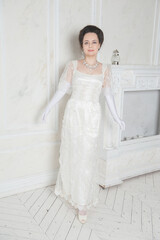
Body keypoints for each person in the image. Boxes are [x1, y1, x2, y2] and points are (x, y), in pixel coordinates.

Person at [41, 25, 125, 224]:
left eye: (94, 42)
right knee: (73, 153)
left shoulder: (105, 69)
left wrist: (116, 117)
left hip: (92, 116)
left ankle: (83, 202)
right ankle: (73, 191)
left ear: (100, 44)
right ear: (81, 45)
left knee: (87, 156)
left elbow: (108, 95)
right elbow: (62, 90)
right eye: (86, 42)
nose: (90, 45)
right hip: (74, 115)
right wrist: (47, 108)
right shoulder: (72, 66)